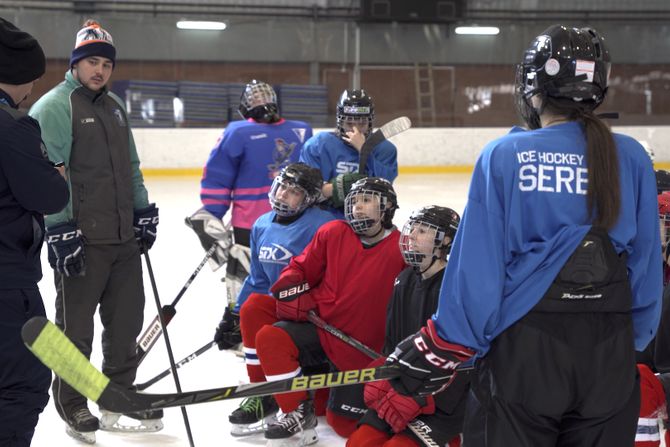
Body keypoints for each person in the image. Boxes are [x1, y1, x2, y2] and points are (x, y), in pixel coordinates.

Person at [385, 25, 662, 447]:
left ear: (533, 89)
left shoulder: (507, 155)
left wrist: (447, 340)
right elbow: (645, 264)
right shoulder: (632, 157)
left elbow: (478, 265)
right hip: (609, 351)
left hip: (525, 351)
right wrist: (631, 338)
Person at [29, 20, 160, 444]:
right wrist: (59, 227)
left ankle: (116, 397)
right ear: (75, 64)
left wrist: (142, 211)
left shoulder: (115, 107)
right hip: (81, 241)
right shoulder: (55, 106)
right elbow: (49, 175)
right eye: (91, 62)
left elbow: (132, 167)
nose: (99, 70)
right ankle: (72, 404)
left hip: (123, 239)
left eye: (106, 63)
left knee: (125, 327)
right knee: (75, 333)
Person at [254, 177, 406, 446]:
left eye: (366, 201)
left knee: (343, 425)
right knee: (271, 337)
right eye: (354, 201)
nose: (358, 208)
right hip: (322, 330)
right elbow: (300, 268)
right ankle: (296, 410)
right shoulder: (333, 232)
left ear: (387, 207)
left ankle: (322, 397)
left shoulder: (403, 250)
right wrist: (292, 285)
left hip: (363, 351)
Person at [211, 162, 338, 436]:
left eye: (293, 192)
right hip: (281, 309)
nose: (282, 195)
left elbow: (337, 279)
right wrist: (233, 314)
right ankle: (263, 394)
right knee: (253, 307)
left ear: (310, 199)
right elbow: (257, 279)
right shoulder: (261, 224)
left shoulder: (326, 226)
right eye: (281, 187)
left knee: (269, 333)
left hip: (313, 315)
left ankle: (296, 408)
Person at [0, 17, 69, 447]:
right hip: (8, 285)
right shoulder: (13, 128)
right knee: (22, 383)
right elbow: (48, 195)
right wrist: (55, 174)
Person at [348, 206, 463, 447]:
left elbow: (465, 361)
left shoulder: (456, 288)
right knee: (358, 443)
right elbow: (393, 343)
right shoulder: (404, 280)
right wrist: (385, 376)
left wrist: (425, 399)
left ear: (446, 239)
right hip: (405, 388)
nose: (411, 235)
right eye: (413, 229)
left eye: (422, 231)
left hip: (444, 399)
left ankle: (456, 438)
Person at [199, 80, 313, 305]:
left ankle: (279, 324)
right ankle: (239, 323)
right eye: (256, 98)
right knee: (247, 281)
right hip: (251, 224)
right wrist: (213, 214)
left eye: (264, 97)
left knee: (290, 277)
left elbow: (313, 175)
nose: (262, 103)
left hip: (293, 221)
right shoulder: (239, 132)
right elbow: (218, 176)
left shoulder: (301, 130)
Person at [299, 89, 398, 213]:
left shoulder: (385, 149)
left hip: (368, 218)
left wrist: (364, 151)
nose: (355, 130)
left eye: (362, 123)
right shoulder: (318, 145)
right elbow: (306, 190)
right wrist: (338, 188)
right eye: (349, 123)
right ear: (340, 122)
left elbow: (385, 187)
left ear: (370, 122)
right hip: (325, 216)